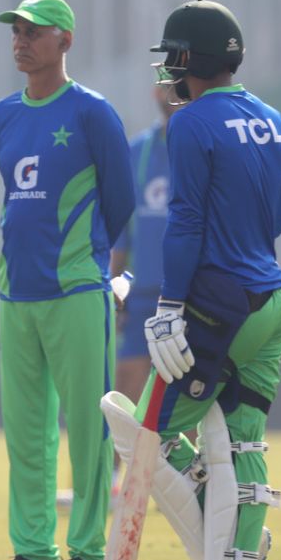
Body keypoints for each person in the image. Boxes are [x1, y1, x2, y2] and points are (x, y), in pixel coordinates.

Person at [106, 0, 281, 560]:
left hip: (219, 305)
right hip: (273, 303)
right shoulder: (270, 115)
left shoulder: (191, 122)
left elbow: (187, 219)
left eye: (172, 56)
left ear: (188, 59)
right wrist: (255, 233)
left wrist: (170, 303)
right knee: (246, 448)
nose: (167, 69)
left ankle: (209, 520)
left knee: (144, 436)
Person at [0, 0, 135, 560]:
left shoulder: (93, 112)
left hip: (76, 290)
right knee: (26, 433)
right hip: (16, 292)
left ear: (65, 41)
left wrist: (92, 262)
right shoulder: (0, 117)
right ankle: (34, 555)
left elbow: (118, 201)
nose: (21, 40)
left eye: (35, 32)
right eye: (16, 31)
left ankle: (90, 554)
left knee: (89, 430)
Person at [111, 82, 182, 409]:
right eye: (167, 86)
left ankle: (185, 463)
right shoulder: (136, 151)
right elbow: (122, 231)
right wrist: (116, 292)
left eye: (181, 87)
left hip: (191, 293)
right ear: (155, 92)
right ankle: (112, 463)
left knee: (185, 391)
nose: (174, 94)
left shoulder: (205, 149)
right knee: (125, 382)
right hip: (141, 292)